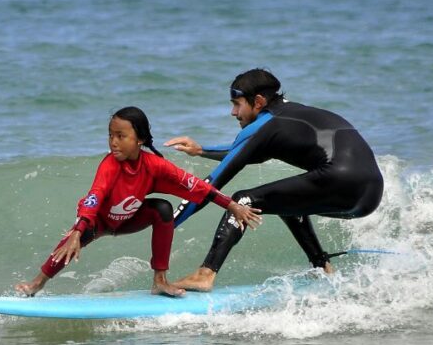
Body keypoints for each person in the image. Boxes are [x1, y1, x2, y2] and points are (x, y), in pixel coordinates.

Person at [164, 68, 383, 292]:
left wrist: (167, 224)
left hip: (340, 180)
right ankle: (323, 267)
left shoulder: (265, 125)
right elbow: (246, 151)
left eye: (237, 104)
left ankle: (205, 275)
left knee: (242, 201)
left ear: (258, 102)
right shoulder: (290, 114)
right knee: (288, 203)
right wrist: (202, 151)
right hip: (370, 194)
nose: (233, 112)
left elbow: (209, 187)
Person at [15, 106, 262, 297]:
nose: (113, 142)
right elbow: (95, 195)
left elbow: (196, 185)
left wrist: (232, 205)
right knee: (71, 241)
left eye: (121, 136)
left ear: (139, 139)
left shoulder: (154, 166)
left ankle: (160, 281)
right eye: (111, 135)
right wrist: (79, 230)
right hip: (99, 221)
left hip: (130, 219)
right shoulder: (110, 165)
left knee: (162, 209)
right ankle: (37, 283)